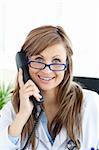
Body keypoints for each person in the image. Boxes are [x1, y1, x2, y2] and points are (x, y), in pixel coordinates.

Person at [0, 25, 99, 150]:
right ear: (24, 63)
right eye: (38, 59)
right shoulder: (12, 111)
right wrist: (22, 115)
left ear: (67, 65)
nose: (47, 71)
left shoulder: (91, 104)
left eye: (56, 61)